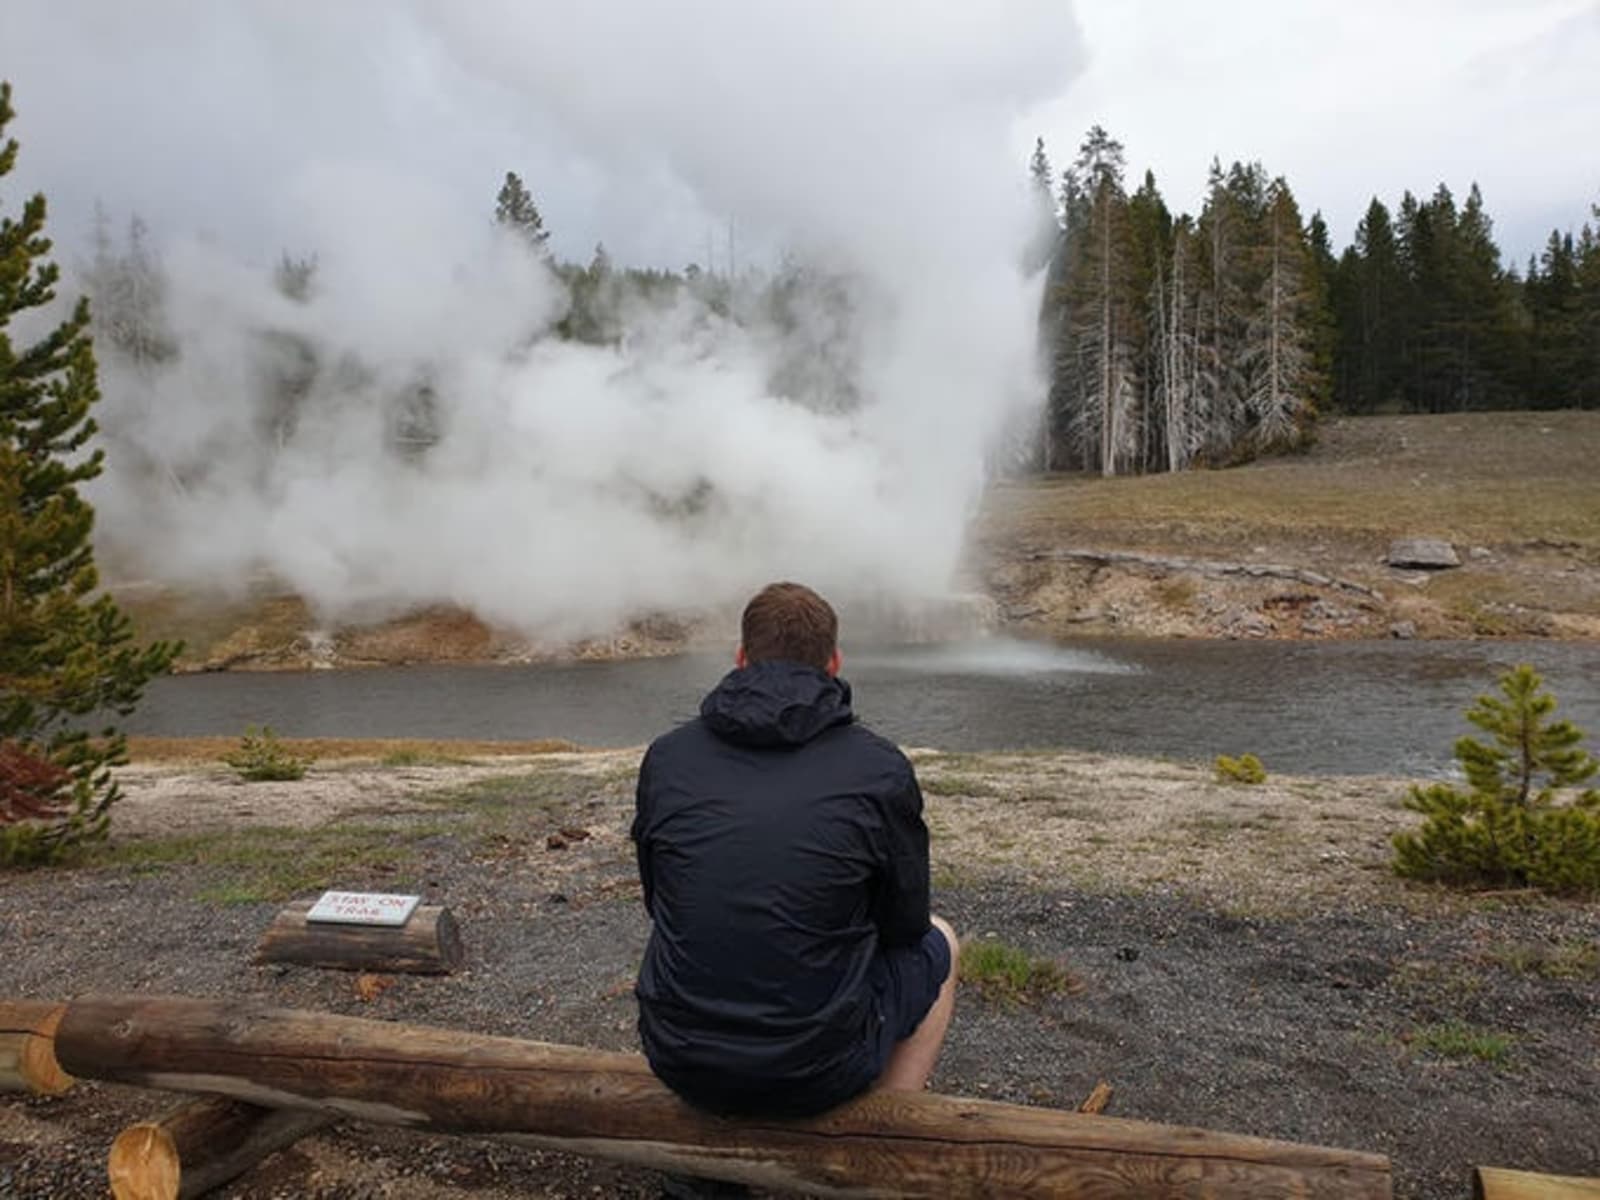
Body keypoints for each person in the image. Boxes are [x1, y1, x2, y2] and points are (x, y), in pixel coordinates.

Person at [632, 581, 958, 1124]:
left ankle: (700, 1159)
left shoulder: (666, 758)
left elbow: (657, 899)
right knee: (941, 940)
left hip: (679, 1055)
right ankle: (883, 1142)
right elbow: (905, 924)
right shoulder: (879, 769)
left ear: (740, 658)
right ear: (834, 663)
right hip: (818, 1072)